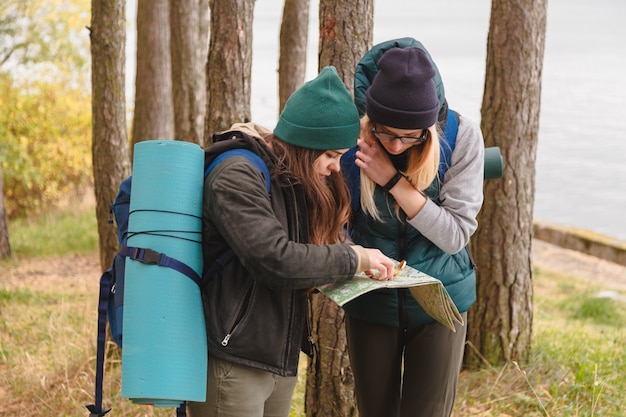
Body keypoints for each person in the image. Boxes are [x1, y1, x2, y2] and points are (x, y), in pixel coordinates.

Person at [186, 66, 395, 417]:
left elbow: (297, 259)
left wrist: (347, 271)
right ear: (304, 144)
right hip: (232, 361)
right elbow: (276, 261)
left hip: (276, 359)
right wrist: (353, 258)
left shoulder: (289, 177)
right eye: (329, 156)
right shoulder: (237, 174)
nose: (334, 168)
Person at [341, 43, 485, 417]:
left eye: (410, 137)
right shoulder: (350, 138)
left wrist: (393, 181)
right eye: (386, 133)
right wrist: (352, 256)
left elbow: (454, 235)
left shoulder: (461, 136)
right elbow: (333, 222)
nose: (395, 145)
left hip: (442, 300)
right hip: (371, 299)